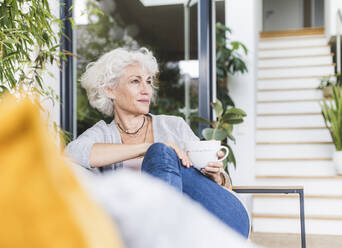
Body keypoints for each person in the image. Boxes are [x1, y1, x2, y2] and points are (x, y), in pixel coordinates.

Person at [66, 47, 250, 238]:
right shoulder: (102, 134)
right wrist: (146, 148)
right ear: (110, 89)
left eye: (148, 81)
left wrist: (216, 176)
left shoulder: (174, 126)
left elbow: (217, 184)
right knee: (160, 151)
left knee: (162, 153)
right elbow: (73, 153)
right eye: (135, 81)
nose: (146, 90)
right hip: (162, 233)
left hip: (226, 219)